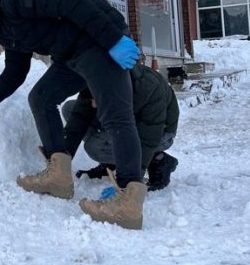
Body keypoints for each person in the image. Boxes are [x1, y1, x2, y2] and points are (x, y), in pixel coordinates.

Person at [0, 0, 146, 230]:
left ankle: (128, 201)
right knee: (41, 97)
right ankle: (58, 175)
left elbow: (74, 3)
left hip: (98, 41)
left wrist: (112, 41)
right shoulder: (5, 30)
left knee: (115, 115)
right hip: (71, 54)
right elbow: (13, 76)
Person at [61, 62, 179, 191]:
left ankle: (158, 159)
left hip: (160, 132)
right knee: (70, 109)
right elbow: (80, 114)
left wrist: (131, 178)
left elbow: (150, 135)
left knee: (95, 147)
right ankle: (111, 164)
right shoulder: (98, 75)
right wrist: (62, 157)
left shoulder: (148, 88)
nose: (94, 105)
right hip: (126, 121)